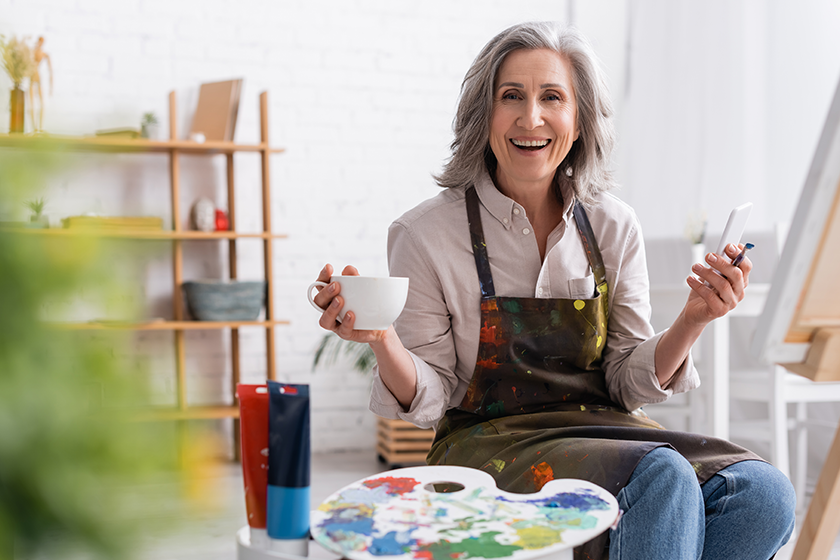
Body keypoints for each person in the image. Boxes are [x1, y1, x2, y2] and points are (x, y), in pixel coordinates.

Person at [312, 22, 795, 560]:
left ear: (579, 119)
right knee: (664, 477)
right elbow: (431, 398)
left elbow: (625, 381)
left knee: (762, 495)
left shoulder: (614, 225)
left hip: (606, 431)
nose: (531, 118)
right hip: (488, 441)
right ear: (483, 113)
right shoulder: (424, 234)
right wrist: (382, 339)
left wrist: (694, 318)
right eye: (511, 96)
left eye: (552, 98)